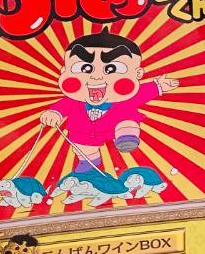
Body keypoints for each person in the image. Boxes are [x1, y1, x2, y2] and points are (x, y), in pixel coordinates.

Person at [39, 30, 178, 169]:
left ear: (137, 74)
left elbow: (144, 92)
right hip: (83, 132)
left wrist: (158, 86)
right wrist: (53, 113)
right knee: (82, 146)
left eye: (111, 68)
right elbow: (61, 107)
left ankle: (126, 137)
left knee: (127, 122)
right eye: (85, 68)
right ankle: (89, 161)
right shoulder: (72, 102)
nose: (97, 76)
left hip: (117, 125)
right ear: (64, 71)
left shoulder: (128, 98)